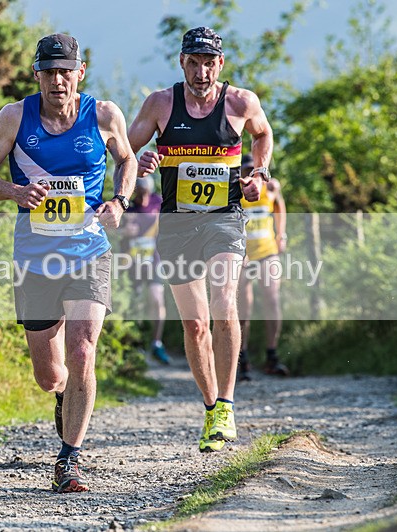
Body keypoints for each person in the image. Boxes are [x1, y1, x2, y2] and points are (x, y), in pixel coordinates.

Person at [0, 33, 136, 492]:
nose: (58, 80)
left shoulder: (103, 114)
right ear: (37, 75)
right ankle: (63, 396)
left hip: (89, 252)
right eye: (49, 71)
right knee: (49, 374)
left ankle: (70, 458)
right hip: (35, 258)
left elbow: (128, 159)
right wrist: (16, 191)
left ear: (80, 72)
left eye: (67, 71)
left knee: (84, 349)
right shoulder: (15, 117)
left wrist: (120, 201)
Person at [128, 27, 273, 452]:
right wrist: (141, 160)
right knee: (194, 325)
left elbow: (262, 134)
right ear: (182, 62)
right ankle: (211, 410)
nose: (201, 71)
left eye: (209, 63)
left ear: (220, 65)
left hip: (225, 219)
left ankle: (227, 403)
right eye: (194, 62)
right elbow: (122, 149)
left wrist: (257, 174)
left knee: (224, 303)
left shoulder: (240, 102)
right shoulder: (160, 104)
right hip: (175, 223)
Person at [237, 153, 289, 381]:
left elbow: (280, 206)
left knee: (272, 299)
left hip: (267, 251)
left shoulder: (271, 186)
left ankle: (272, 354)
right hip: (242, 255)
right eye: (245, 169)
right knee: (243, 308)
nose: (249, 173)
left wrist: (281, 235)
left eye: (252, 169)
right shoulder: (234, 189)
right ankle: (242, 357)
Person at [121, 175, 170, 364]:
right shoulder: (128, 208)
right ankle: (134, 346)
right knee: (135, 305)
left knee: (157, 299)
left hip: (154, 261)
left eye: (145, 193)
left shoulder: (159, 202)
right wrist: (123, 231)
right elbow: (110, 229)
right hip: (131, 263)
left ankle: (157, 343)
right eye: (138, 194)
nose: (142, 199)